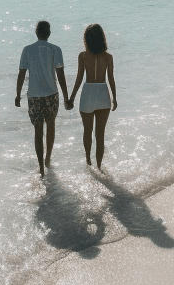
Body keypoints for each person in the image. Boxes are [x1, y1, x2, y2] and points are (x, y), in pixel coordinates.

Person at [15, 20, 70, 177]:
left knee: (38, 130)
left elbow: (21, 73)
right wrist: (66, 97)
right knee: (50, 125)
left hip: (34, 96)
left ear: (36, 33)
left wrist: (17, 95)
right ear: (49, 33)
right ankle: (48, 159)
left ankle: (40, 167)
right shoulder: (55, 49)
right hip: (51, 95)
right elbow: (60, 75)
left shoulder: (27, 50)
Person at [67, 23, 117, 169]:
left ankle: (88, 161)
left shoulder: (83, 56)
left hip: (88, 93)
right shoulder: (108, 57)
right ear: (102, 38)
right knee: (100, 135)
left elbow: (79, 78)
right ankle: (100, 166)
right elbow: (111, 79)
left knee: (87, 132)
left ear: (86, 39)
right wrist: (114, 98)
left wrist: (72, 97)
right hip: (103, 94)